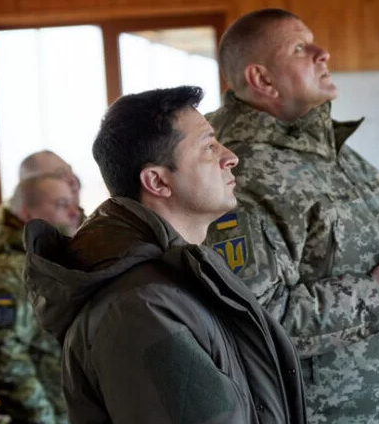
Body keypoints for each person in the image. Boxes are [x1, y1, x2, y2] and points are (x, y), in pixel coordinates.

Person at [22, 86, 306, 424]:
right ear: (157, 182)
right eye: (208, 146)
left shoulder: (177, 276)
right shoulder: (141, 307)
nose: (230, 157)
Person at [204, 8, 379, 424]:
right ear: (262, 79)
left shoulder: (337, 153)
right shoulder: (241, 171)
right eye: (299, 48)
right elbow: (254, 321)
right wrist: (375, 297)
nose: (322, 53)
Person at [0, 175, 80, 424]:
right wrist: (41, 418)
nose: (74, 212)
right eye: (62, 204)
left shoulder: (48, 262)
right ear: (27, 213)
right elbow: (2, 356)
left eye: (73, 203)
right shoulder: (7, 273)